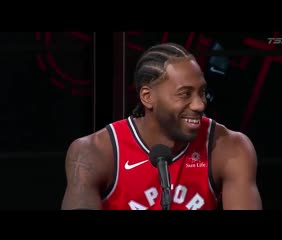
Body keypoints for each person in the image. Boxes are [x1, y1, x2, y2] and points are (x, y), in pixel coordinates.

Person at [61, 42, 262, 210]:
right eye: (185, 94)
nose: (200, 104)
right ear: (148, 97)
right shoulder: (94, 152)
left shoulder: (229, 147)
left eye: (201, 92)